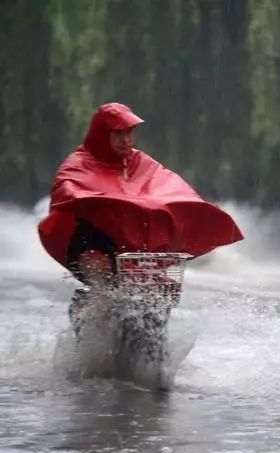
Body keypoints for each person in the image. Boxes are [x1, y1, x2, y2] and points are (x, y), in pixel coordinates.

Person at [38, 102, 243, 330]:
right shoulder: (79, 162)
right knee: (100, 275)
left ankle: (153, 358)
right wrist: (93, 197)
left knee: (160, 292)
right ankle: (88, 332)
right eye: (118, 133)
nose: (126, 140)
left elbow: (170, 186)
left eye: (129, 133)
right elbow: (67, 188)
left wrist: (197, 209)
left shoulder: (140, 162)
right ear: (102, 134)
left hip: (135, 248)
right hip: (91, 240)